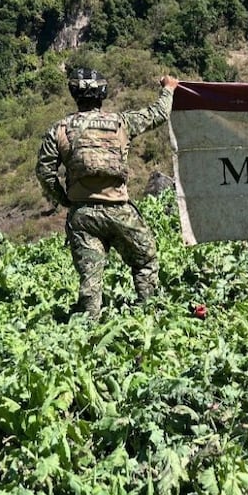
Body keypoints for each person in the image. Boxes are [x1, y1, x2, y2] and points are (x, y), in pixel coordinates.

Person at [36, 67, 180, 318]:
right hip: (119, 211)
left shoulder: (59, 129)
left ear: (74, 95)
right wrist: (168, 88)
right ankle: (149, 316)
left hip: (82, 215)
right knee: (145, 260)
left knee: (90, 281)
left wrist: (65, 200)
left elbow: (45, 171)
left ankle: (86, 332)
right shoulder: (121, 123)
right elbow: (158, 114)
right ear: (102, 95)